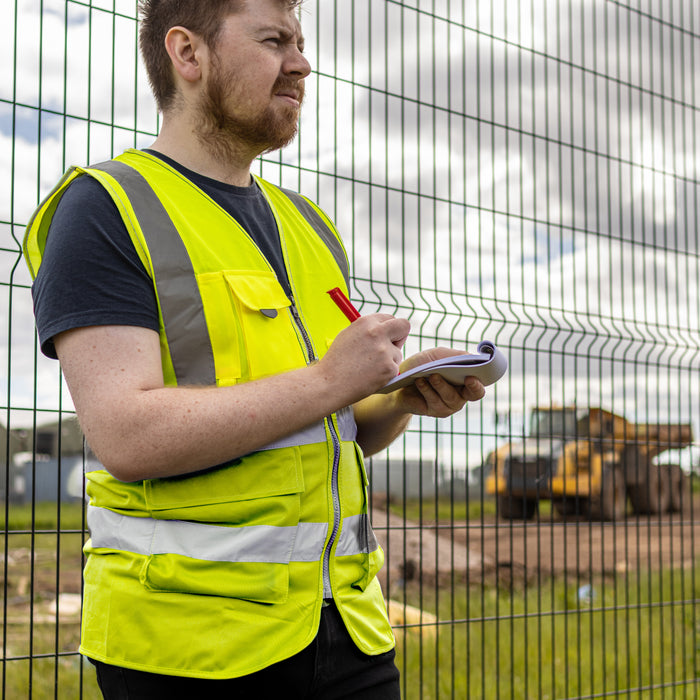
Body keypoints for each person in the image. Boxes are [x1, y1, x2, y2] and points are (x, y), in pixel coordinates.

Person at [23, 0, 485, 697]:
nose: (301, 63)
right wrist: (335, 381)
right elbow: (127, 434)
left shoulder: (309, 228)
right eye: (274, 40)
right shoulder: (106, 208)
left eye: (300, 43)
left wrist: (397, 396)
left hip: (347, 630)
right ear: (188, 55)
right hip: (190, 650)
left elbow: (329, 428)